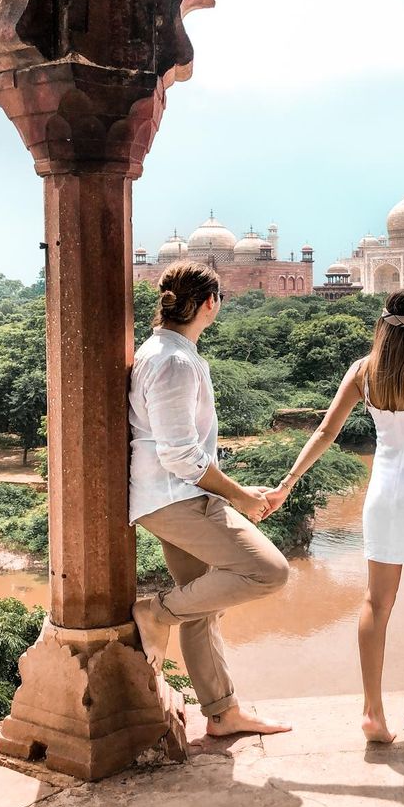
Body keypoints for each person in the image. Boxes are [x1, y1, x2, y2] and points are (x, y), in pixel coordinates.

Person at [262, 288, 404, 743]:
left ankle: (371, 711)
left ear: (383, 325)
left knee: (375, 603)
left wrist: (287, 483)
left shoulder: (364, 372)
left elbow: (326, 432)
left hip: (385, 496)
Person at [129, 260, 292, 738]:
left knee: (198, 602)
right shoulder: (174, 361)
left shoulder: (164, 351)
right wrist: (240, 496)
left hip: (169, 494)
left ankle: (221, 713)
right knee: (268, 571)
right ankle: (154, 611)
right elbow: (179, 454)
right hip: (176, 497)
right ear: (210, 304)